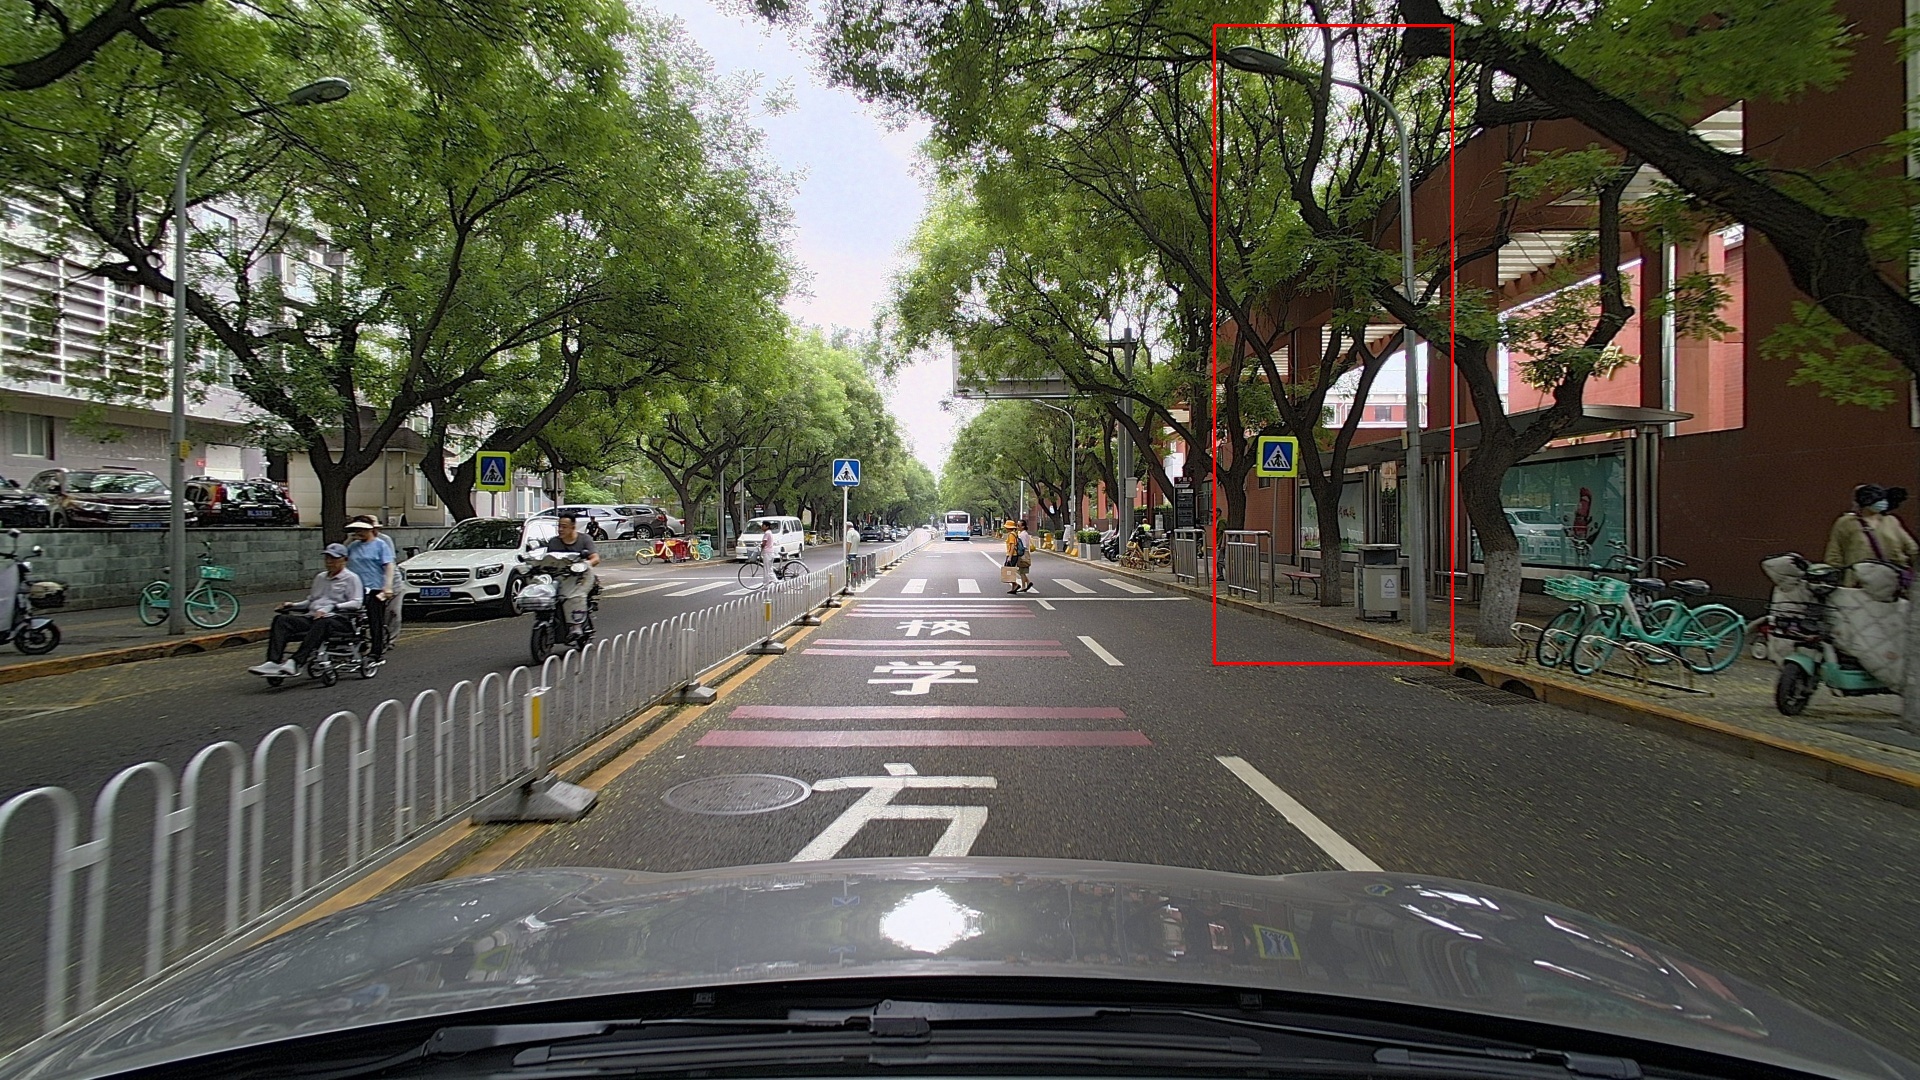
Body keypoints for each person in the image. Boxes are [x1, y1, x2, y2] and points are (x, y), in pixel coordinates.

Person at [250, 543, 364, 676]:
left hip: (338, 620)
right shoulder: (320, 577)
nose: (329, 562)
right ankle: (273, 661)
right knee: (281, 620)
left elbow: (357, 603)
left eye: (333, 558)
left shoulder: (351, 578)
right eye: (327, 558)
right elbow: (311, 601)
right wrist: (293, 605)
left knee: (323, 621)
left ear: (345, 560)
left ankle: (296, 661)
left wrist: (333, 607)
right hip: (313, 617)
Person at [1823, 483, 1918, 585]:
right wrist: (1836, 575)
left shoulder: (1891, 521)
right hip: (1859, 582)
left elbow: (1912, 548)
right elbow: (1834, 553)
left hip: (1891, 582)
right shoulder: (1846, 523)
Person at [540, 513, 600, 641]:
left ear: (573, 527)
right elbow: (548, 561)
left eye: (564, 526)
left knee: (575, 595)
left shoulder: (585, 539)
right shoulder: (554, 542)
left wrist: (583, 565)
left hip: (581, 577)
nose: (560, 529)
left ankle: (576, 626)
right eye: (559, 526)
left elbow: (595, 559)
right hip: (561, 578)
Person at [343, 517, 395, 661]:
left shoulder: (380, 545)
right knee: (350, 617)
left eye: (361, 530)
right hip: (355, 588)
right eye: (356, 530)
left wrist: (388, 586)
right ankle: (356, 645)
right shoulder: (353, 546)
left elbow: (388, 565)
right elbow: (342, 557)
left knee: (375, 620)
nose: (358, 532)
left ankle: (376, 651)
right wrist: (349, 539)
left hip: (374, 588)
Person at [1017, 518, 1037, 593]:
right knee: (1021, 571)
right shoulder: (1025, 534)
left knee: (1022, 571)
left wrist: (1020, 554)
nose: (1017, 527)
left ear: (1023, 526)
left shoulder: (1022, 535)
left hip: (1023, 553)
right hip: (1025, 552)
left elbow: (1023, 546)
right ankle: (1028, 582)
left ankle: (1023, 586)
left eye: (1018, 525)